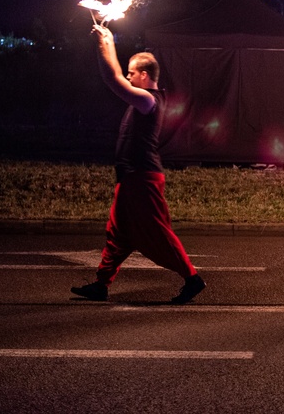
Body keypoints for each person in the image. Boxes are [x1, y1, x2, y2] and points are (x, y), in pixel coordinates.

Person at [71, 24, 205, 304]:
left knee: (157, 231)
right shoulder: (143, 99)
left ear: (144, 75)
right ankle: (101, 284)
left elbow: (112, 78)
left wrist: (104, 43)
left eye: (133, 72)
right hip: (131, 177)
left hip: (143, 179)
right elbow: (118, 75)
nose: (129, 76)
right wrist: (107, 42)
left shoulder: (147, 100)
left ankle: (192, 279)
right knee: (118, 233)